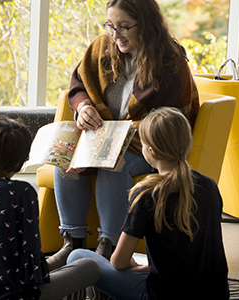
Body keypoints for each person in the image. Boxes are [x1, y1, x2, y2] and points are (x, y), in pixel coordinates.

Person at [47, 0, 200, 269]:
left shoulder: (170, 63)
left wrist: (133, 129)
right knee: (65, 161)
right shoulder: (102, 47)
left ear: (147, 25)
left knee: (113, 166)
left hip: (148, 144)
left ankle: (111, 245)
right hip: (102, 137)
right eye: (110, 25)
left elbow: (174, 120)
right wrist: (83, 107)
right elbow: (78, 84)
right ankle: (73, 242)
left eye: (124, 27)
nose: (115, 34)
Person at [67, 107, 229, 299]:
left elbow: (118, 262)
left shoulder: (148, 195)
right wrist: (146, 267)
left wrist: (134, 267)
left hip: (161, 295)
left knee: (77, 257)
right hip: (216, 295)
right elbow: (194, 253)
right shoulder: (210, 186)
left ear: (151, 152)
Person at [0, 116, 101, 300]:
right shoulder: (22, 192)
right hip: (13, 295)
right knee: (90, 267)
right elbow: (31, 257)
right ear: (19, 162)